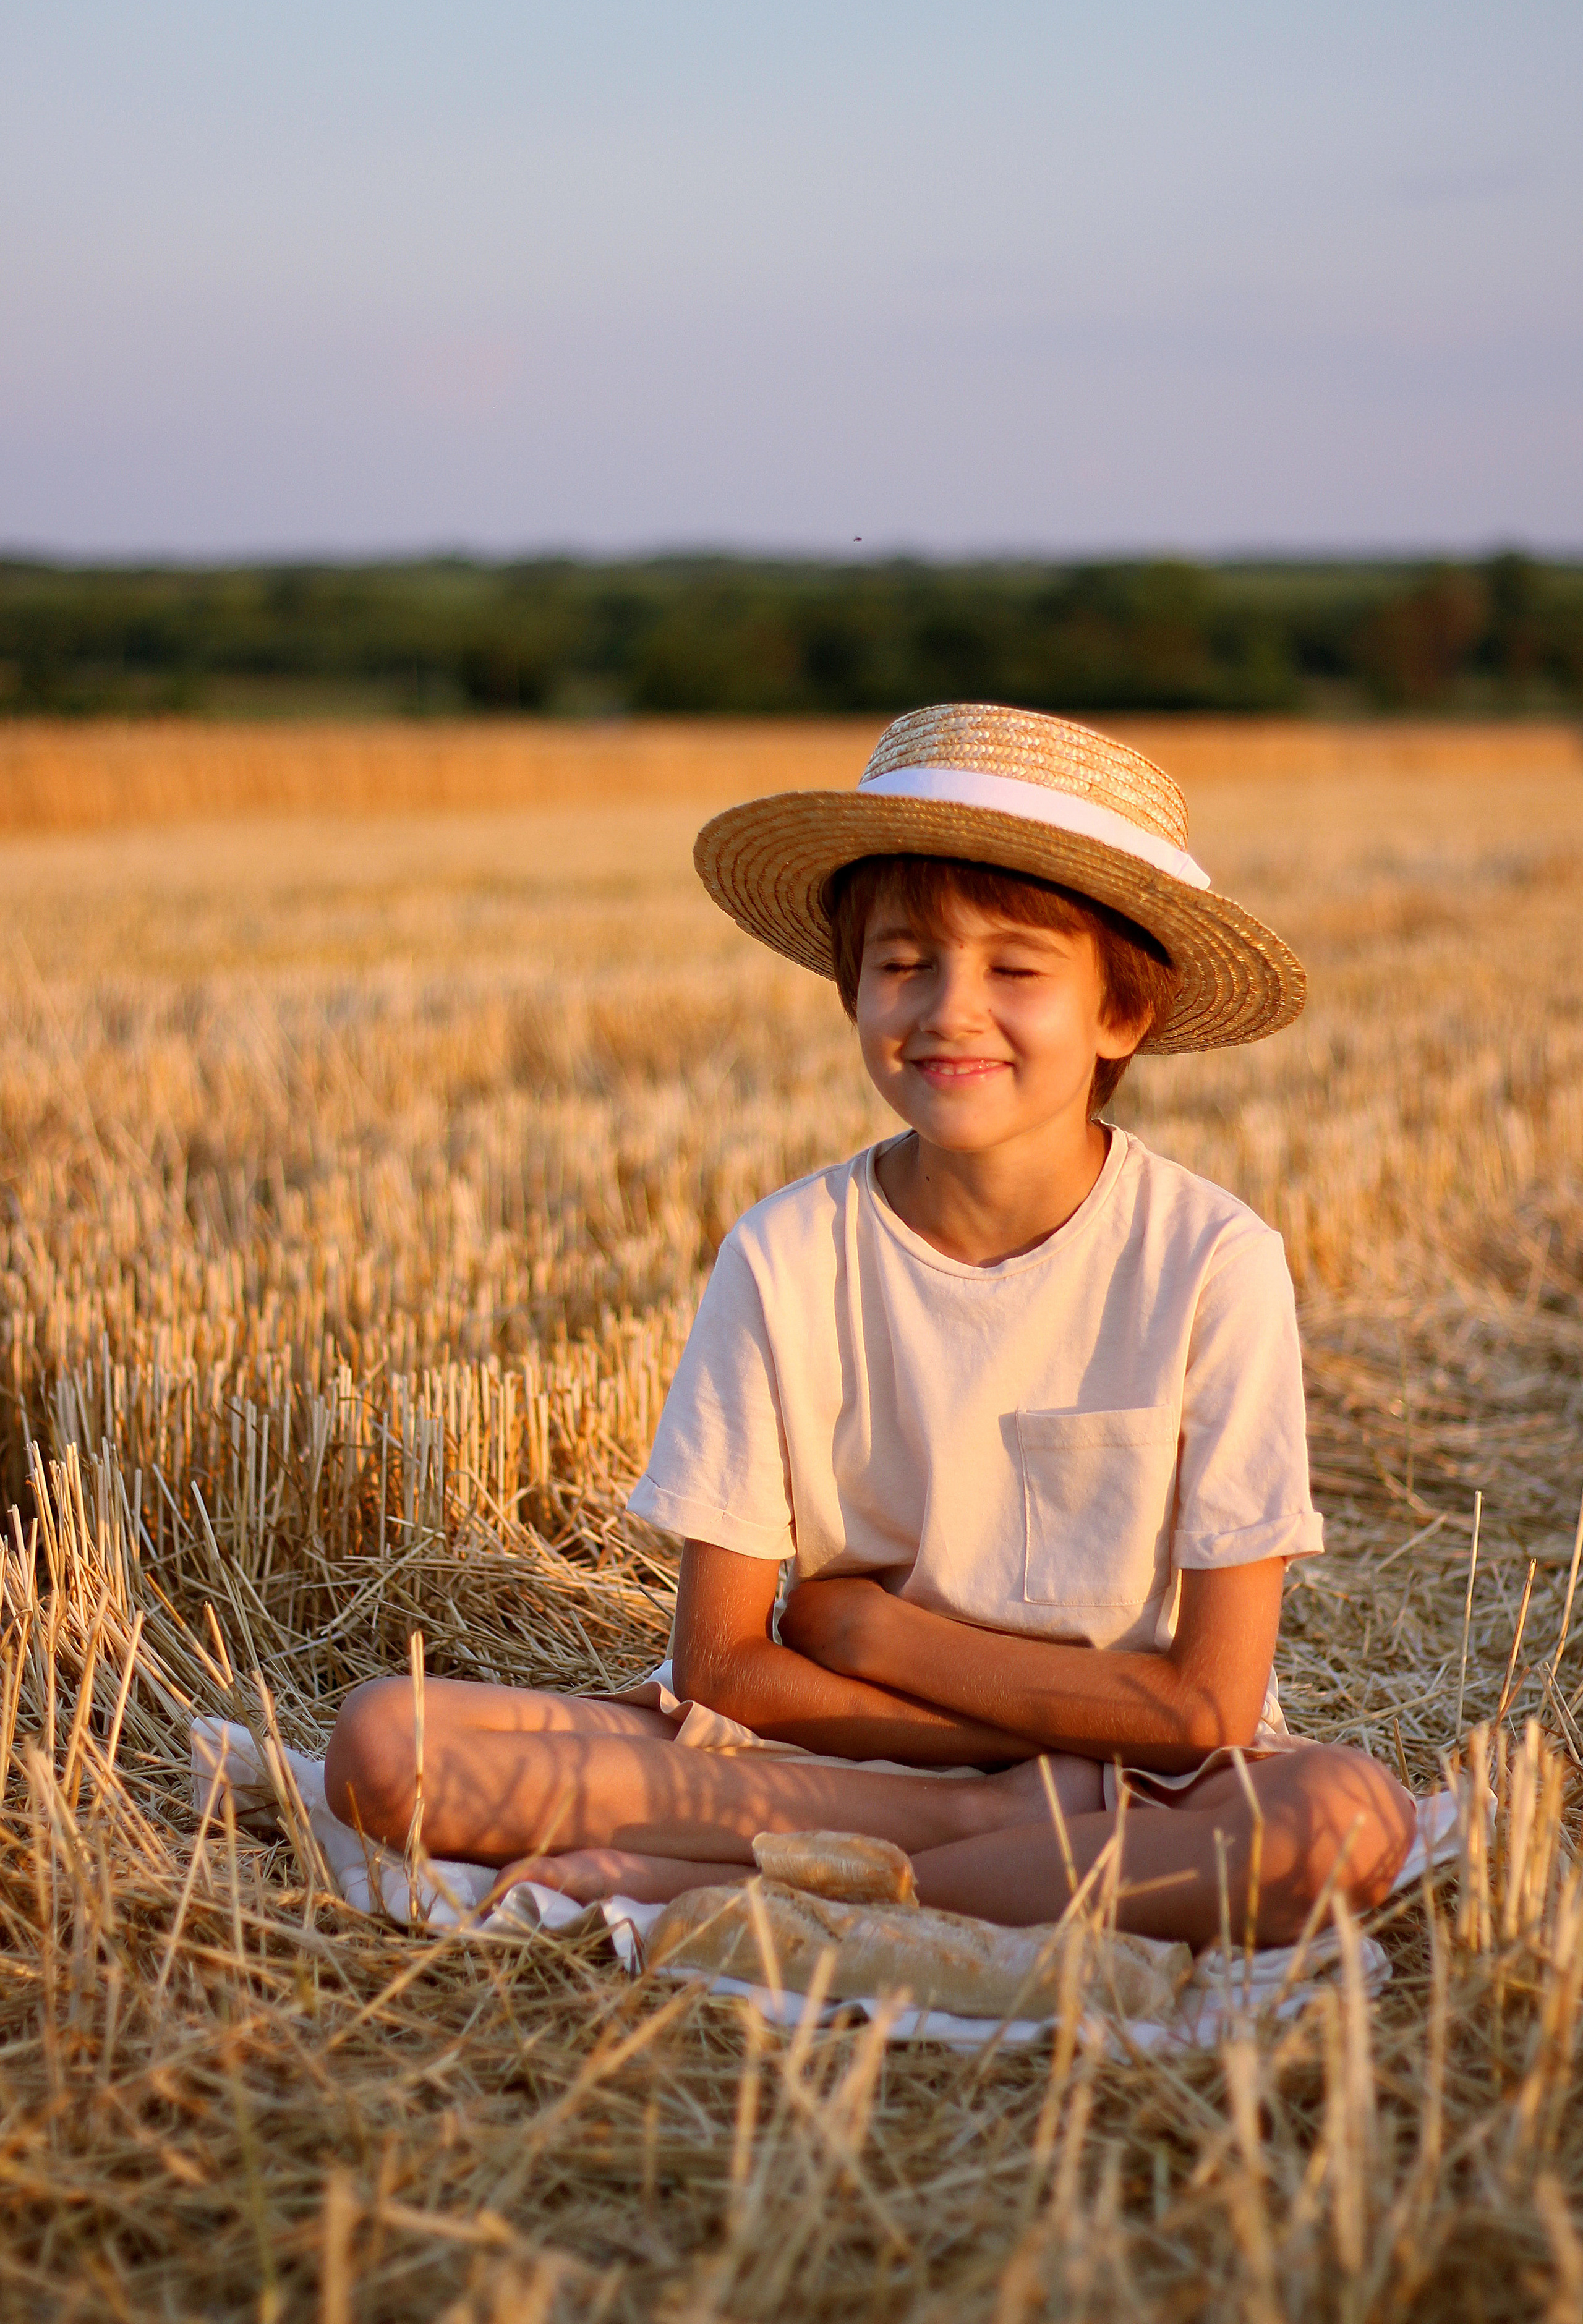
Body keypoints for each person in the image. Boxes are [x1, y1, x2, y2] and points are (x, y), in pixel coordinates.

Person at [325, 704, 1415, 1947]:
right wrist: (1010, 1744)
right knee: (385, 1745)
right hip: (834, 1742)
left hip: (1137, 1782)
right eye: (904, 964)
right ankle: (957, 1849)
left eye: (1014, 969)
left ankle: (752, 1886)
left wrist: (869, 1627)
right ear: (850, 988)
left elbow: (1207, 1711)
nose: (949, 1010)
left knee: (1339, 1824)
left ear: (1121, 1015)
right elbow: (728, 1668)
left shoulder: (1210, 1261)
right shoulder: (787, 1252)